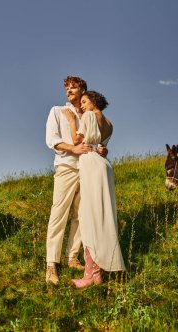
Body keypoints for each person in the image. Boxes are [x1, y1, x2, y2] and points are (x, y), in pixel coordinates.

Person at [45, 77, 107, 285]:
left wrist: (102, 149)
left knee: (82, 216)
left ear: (83, 90)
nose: (69, 90)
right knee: (59, 213)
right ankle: (51, 264)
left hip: (88, 168)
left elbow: (99, 140)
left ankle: (72, 257)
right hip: (67, 167)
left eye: (74, 87)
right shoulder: (57, 111)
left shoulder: (90, 113)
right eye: (67, 88)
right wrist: (72, 148)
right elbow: (51, 140)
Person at [64, 90, 125, 289]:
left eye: (84, 101)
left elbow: (76, 141)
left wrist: (73, 120)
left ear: (94, 101)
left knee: (89, 216)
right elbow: (102, 146)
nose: (81, 106)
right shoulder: (110, 123)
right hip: (104, 165)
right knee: (103, 215)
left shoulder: (89, 116)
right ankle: (98, 269)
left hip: (90, 164)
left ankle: (92, 274)